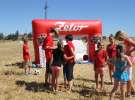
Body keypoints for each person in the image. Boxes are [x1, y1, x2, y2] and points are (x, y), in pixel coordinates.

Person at [115, 30, 135, 96]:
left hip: (129, 58)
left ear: (121, 35)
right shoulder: (126, 40)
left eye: (119, 38)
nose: (119, 39)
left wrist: (129, 52)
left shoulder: (128, 39)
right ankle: (132, 90)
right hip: (128, 57)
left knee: (128, 77)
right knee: (127, 76)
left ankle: (129, 92)